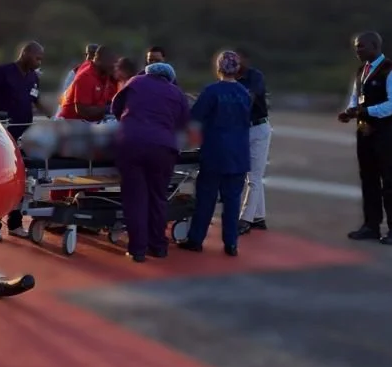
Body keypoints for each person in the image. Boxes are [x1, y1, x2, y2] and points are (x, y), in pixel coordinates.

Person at [111, 62, 191, 261]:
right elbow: (182, 124)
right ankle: (158, 246)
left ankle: (137, 250)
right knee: (158, 197)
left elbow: (115, 107)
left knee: (135, 198)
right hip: (163, 149)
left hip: (131, 145)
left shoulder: (135, 82)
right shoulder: (177, 92)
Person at [337, 31, 392, 245]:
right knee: (368, 178)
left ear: (375, 46)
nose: (357, 50)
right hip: (364, 131)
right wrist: (350, 112)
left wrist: (366, 111)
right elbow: (356, 97)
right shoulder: (362, 70)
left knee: (390, 179)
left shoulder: (391, 71)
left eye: (361, 46)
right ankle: (371, 225)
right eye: (356, 47)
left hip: (385, 132)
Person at [179, 50, 252, 256]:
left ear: (218, 67)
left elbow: (195, 117)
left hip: (215, 152)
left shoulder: (212, 91)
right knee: (232, 201)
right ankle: (231, 243)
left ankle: (196, 239)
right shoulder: (243, 93)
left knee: (206, 198)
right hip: (238, 154)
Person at [0, 41, 48, 240]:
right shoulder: (4, 72)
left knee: (21, 179)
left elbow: (36, 100)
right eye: (37, 58)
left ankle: (15, 224)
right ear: (26, 54)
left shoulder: (34, 77)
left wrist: (54, 117)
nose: (39, 62)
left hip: (23, 134)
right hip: (3, 133)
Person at [236, 51, 272, 235]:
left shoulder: (255, 76)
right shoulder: (231, 78)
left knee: (254, 176)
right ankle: (258, 217)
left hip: (258, 128)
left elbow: (250, 96)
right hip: (244, 129)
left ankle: (245, 219)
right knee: (253, 175)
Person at [57, 45, 117, 122]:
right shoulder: (86, 76)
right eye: (111, 63)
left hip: (88, 122)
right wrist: (108, 108)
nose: (114, 67)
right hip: (72, 123)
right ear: (99, 60)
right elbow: (83, 111)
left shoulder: (105, 75)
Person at [54, 43, 98, 117]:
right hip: (68, 115)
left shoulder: (100, 73)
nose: (92, 59)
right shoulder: (75, 73)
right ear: (86, 55)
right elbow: (65, 98)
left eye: (95, 55)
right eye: (91, 55)